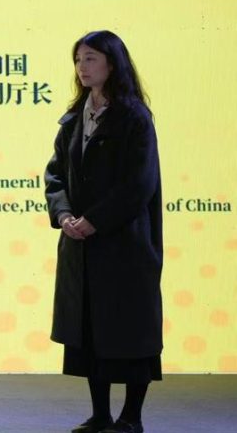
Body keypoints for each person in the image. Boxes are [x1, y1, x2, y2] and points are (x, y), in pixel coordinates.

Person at [44, 31, 162, 433]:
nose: (82, 67)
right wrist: (64, 215)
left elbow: (138, 183)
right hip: (81, 245)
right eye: (78, 59)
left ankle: (131, 417)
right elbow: (55, 175)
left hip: (124, 245)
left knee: (131, 331)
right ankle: (100, 415)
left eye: (91, 58)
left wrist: (95, 219)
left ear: (113, 63)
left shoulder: (134, 118)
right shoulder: (74, 119)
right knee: (91, 332)